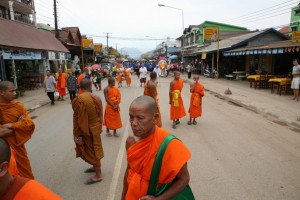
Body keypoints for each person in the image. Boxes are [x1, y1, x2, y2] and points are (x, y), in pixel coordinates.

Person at [121, 96, 191, 200]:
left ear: (155, 118)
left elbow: (184, 178)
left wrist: (160, 199)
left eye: (140, 118)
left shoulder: (169, 144)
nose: (134, 123)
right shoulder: (131, 142)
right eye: (131, 117)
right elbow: (128, 172)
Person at [0, 81, 35, 179]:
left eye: (15, 91)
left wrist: (12, 125)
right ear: (1, 92)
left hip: (17, 147)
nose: (15, 93)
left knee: (26, 174)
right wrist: (19, 127)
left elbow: (29, 125)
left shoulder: (18, 106)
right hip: (2, 149)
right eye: (11, 91)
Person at [72, 79, 104, 185]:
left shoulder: (78, 100)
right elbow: (100, 114)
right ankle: (95, 167)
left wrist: (77, 132)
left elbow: (77, 117)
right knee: (95, 148)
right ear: (90, 86)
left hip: (84, 129)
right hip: (95, 127)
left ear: (80, 88)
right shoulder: (97, 98)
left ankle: (98, 175)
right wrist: (99, 126)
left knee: (92, 150)